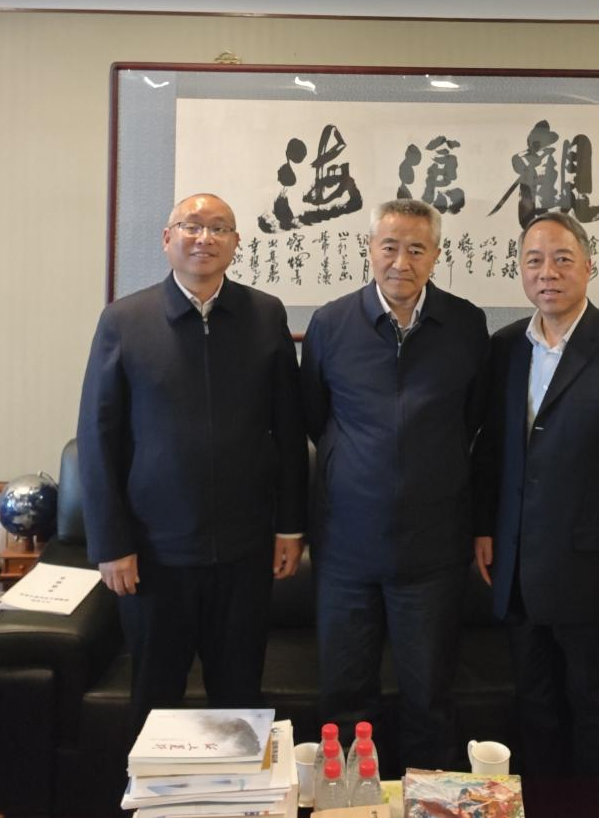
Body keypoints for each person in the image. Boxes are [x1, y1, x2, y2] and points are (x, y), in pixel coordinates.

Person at [77, 192, 307, 733]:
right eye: (191, 226)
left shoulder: (264, 315)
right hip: (154, 555)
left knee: (240, 698)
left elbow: (289, 429)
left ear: (236, 243)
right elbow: (97, 436)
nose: (205, 238)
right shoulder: (124, 320)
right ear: (167, 239)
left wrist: (290, 527)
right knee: (155, 699)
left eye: (219, 228)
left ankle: (240, 789)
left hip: (245, 552)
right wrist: (111, 544)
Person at [473, 211, 599, 777]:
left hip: (592, 567)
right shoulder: (504, 348)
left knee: (598, 700)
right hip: (518, 565)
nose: (548, 272)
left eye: (562, 259)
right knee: (533, 699)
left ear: (589, 267)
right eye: (534, 260)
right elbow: (492, 449)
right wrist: (485, 528)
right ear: (520, 270)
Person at [301, 198, 489, 772]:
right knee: (344, 698)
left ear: (436, 255)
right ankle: (349, 805)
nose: (400, 262)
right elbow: (314, 416)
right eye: (389, 246)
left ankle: (426, 804)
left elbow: (474, 420)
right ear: (369, 249)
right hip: (346, 549)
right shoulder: (331, 324)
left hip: (433, 553)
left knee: (429, 699)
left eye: (416, 249)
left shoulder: (465, 324)